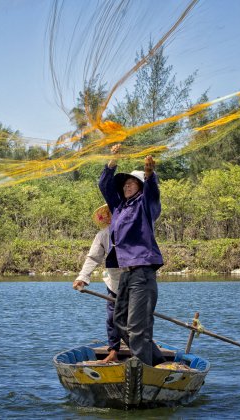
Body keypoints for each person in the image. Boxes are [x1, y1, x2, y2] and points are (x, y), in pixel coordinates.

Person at [98, 144, 165, 367]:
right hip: (124, 271)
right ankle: (156, 361)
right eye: (124, 184)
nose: (127, 187)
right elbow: (104, 185)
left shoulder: (145, 205)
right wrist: (113, 159)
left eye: (131, 183)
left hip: (142, 271)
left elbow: (153, 192)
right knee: (119, 320)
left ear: (140, 186)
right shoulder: (119, 207)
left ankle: (142, 370)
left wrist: (149, 174)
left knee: (137, 327)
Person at [72, 204, 124, 363]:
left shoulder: (133, 230)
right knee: (112, 318)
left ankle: (142, 353)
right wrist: (82, 277)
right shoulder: (103, 235)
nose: (110, 217)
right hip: (114, 282)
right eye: (107, 214)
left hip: (137, 282)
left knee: (136, 320)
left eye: (112, 213)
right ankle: (114, 351)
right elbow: (93, 257)